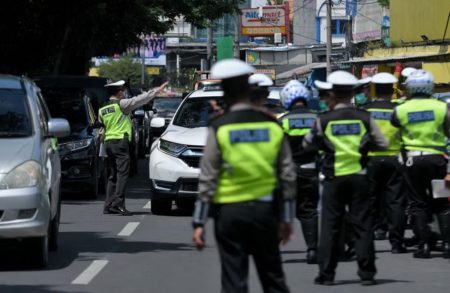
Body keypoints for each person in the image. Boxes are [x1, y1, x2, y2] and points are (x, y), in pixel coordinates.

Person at [192, 59, 296, 293]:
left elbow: (208, 177)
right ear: (250, 90)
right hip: (265, 213)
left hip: (230, 213)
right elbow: (287, 175)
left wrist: (199, 222)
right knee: (273, 278)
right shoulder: (271, 125)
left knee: (234, 281)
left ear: (224, 93)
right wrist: (287, 218)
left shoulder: (219, 127)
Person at [303, 71, 388, 286]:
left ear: (332, 93)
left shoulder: (323, 119)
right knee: (363, 226)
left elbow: (307, 143)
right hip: (360, 177)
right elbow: (383, 144)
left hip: (333, 178)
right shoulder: (365, 117)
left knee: (330, 226)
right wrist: (366, 145)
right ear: (352, 93)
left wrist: (324, 145)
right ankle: (367, 274)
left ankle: (327, 274)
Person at [391, 69, 450, 259]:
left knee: (417, 203)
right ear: (429, 87)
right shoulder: (441, 107)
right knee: (442, 203)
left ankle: (423, 245)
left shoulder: (401, 109)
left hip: (412, 161)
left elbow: (395, 125)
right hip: (437, 160)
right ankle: (447, 245)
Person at [99, 80, 168, 215]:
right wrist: (156, 90)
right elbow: (139, 99)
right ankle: (118, 204)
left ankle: (108, 205)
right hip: (120, 143)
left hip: (108, 143)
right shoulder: (122, 105)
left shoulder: (102, 108)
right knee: (122, 174)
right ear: (119, 92)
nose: (124, 93)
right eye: (123, 91)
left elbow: (102, 128)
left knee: (113, 175)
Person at [363, 73, 408, 253]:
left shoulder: (365, 110)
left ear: (374, 90)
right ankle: (396, 243)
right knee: (395, 201)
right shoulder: (397, 110)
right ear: (391, 91)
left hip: (371, 159)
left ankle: (371, 236)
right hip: (394, 158)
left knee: (371, 199)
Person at [278, 80, 319, 264]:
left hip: (288, 173)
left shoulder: (283, 121)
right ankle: (312, 250)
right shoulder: (318, 118)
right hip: (311, 171)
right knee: (308, 211)